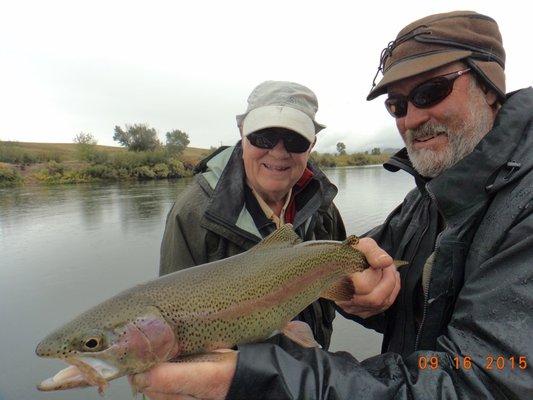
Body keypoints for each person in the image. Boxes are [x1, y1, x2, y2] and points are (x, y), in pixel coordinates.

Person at [132, 11, 533, 399]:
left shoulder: (519, 206)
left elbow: (488, 379)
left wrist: (272, 379)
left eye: (431, 92)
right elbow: (404, 306)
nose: (411, 118)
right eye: (396, 104)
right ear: (242, 134)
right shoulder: (426, 201)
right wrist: (363, 299)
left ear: (488, 85)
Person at [158, 80, 398, 351]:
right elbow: (172, 330)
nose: (279, 152)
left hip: (316, 380)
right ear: (242, 131)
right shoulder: (191, 214)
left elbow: (340, 291)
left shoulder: (322, 205)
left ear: (311, 144)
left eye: (295, 140)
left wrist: (366, 299)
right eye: (264, 136)